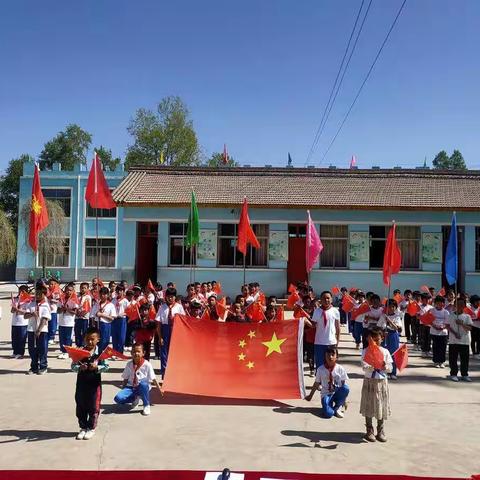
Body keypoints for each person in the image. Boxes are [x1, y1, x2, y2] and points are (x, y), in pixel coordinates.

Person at [71, 327, 109, 440]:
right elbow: (73, 366)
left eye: (93, 339)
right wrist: (79, 367)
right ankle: (82, 427)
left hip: (94, 385)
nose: (90, 342)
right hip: (81, 384)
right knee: (81, 405)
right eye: (88, 339)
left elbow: (106, 367)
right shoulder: (79, 352)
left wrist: (97, 367)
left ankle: (91, 428)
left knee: (93, 406)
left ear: (98, 339)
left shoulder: (101, 354)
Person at [360, 327, 392, 443]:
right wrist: (371, 366)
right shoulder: (365, 351)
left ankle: (381, 429)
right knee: (369, 404)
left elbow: (390, 368)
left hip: (381, 382)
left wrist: (385, 366)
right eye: (373, 339)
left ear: (382, 339)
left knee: (380, 405)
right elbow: (363, 366)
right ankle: (369, 429)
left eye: (377, 339)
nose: (375, 342)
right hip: (369, 380)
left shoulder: (385, 352)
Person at [114, 343, 162, 416]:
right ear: (131, 353)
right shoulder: (129, 364)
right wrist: (123, 390)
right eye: (134, 352)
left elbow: (153, 378)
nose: (136, 353)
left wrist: (159, 389)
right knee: (118, 398)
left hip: (142, 387)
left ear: (143, 353)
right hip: (131, 387)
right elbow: (125, 378)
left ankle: (146, 405)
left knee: (143, 384)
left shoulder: (147, 364)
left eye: (138, 351)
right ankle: (135, 398)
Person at [305, 347, 349, 418]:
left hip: (337, 392)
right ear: (325, 357)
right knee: (328, 414)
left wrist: (344, 400)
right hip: (326, 394)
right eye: (328, 355)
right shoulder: (320, 369)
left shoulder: (340, 368)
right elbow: (316, 383)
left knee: (346, 388)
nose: (330, 357)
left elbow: (343, 384)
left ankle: (338, 406)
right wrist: (310, 396)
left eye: (332, 355)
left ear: (337, 357)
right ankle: (331, 409)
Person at [155, 287, 185, 376]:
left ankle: (175, 374)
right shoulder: (162, 307)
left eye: (172, 296)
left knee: (175, 353)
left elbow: (183, 321)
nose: (170, 298)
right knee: (164, 353)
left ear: (175, 297)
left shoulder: (179, 307)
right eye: (168, 296)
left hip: (176, 330)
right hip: (165, 330)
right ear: (165, 297)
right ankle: (165, 375)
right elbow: (158, 323)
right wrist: (160, 337)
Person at [307, 291, 340, 370]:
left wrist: (337, 341)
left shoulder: (335, 311)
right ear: (320, 300)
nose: (326, 300)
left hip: (331, 342)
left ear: (331, 299)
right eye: (324, 298)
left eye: (328, 298)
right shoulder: (317, 311)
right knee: (320, 365)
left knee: (331, 365)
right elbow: (313, 325)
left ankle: (330, 381)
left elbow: (338, 327)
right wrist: (305, 321)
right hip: (319, 342)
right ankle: (320, 381)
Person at [24, 285, 51, 375]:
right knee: (32, 349)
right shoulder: (31, 304)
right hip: (31, 329)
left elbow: (44, 319)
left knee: (42, 349)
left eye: (40, 294)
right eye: (36, 293)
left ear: (44, 295)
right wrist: (32, 314)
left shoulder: (45, 305)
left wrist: (39, 330)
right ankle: (34, 366)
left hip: (42, 330)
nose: (37, 295)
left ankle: (43, 366)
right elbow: (25, 316)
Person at [447, 298, 473, 382]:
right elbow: (448, 326)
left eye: (462, 305)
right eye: (458, 304)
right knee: (453, 358)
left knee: (464, 359)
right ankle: (453, 374)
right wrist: (454, 333)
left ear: (465, 306)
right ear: (455, 305)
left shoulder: (467, 316)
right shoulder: (450, 315)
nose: (460, 306)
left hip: (464, 341)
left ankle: (464, 374)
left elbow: (469, 328)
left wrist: (461, 324)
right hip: (453, 340)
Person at [378, 299, 402, 380]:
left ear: (395, 307)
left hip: (393, 336)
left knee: (393, 354)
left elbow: (397, 328)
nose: (391, 308)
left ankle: (393, 372)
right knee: (384, 354)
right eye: (389, 306)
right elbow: (379, 326)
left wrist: (389, 321)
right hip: (384, 336)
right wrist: (382, 332)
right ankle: (385, 371)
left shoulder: (397, 316)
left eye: (393, 307)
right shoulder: (383, 315)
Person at [91, 287, 116, 354]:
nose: (103, 296)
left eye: (105, 294)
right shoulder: (97, 304)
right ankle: (97, 355)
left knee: (105, 341)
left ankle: (102, 356)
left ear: (108, 295)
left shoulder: (111, 305)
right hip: (97, 324)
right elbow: (92, 315)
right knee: (96, 341)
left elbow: (112, 318)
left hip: (106, 325)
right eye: (101, 294)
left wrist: (102, 315)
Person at [57, 282, 78, 359]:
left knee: (68, 338)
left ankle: (68, 352)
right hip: (61, 322)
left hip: (69, 323)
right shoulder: (61, 299)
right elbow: (57, 310)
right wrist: (61, 309)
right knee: (61, 338)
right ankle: (63, 351)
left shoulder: (74, 300)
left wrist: (67, 309)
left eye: (70, 290)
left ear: (73, 291)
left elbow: (74, 312)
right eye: (67, 290)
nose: (68, 292)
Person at [430, 295, 449, 368]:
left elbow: (447, 323)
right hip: (434, 332)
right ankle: (436, 361)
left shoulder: (446, 312)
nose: (439, 304)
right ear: (435, 303)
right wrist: (435, 326)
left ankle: (442, 361)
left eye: (441, 303)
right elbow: (429, 320)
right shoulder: (432, 310)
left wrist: (442, 327)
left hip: (443, 332)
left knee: (443, 347)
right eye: (437, 303)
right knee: (435, 347)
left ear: (443, 303)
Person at [111, 285, 129, 354]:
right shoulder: (113, 300)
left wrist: (123, 314)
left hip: (122, 320)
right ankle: (114, 351)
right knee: (114, 335)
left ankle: (120, 352)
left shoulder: (125, 301)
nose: (119, 292)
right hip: (114, 319)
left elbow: (129, 311)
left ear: (123, 292)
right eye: (117, 290)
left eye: (120, 290)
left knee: (121, 336)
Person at [75, 282, 92, 347]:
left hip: (84, 317)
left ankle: (83, 344)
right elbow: (75, 305)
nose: (83, 289)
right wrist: (77, 313)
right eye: (81, 288)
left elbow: (88, 308)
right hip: (77, 317)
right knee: (77, 331)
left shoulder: (88, 297)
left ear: (87, 289)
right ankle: (78, 344)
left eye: (85, 288)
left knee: (84, 331)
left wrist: (82, 314)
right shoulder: (77, 296)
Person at [418, 292, 433, 358]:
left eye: (428, 299)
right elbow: (417, 316)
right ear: (422, 299)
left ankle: (428, 350)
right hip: (422, 324)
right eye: (425, 299)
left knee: (429, 338)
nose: (426, 301)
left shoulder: (431, 307)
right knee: (423, 337)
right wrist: (422, 316)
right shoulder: (419, 307)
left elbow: (432, 316)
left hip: (429, 325)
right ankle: (423, 351)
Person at [47, 278, 61, 344]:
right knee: (46, 324)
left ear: (55, 285)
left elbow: (59, 300)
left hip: (53, 310)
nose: (50, 285)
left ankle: (51, 338)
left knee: (52, 325)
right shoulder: (46, 290)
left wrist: (52, 300)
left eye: (52, 284)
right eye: (49, 284)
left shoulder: (57, 291)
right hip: (47, 310)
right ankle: (47, 337)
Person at [469, 294, 480, 358]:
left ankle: (478, 352)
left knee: (479, 340)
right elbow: (468, 318)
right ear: (473, 302)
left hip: (479, 326)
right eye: (477, 301)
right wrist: (475, 319)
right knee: (473, 340)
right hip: (473, 326)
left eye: (479, 301)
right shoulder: (470, 309)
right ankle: (474, 352)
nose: (478, 302)